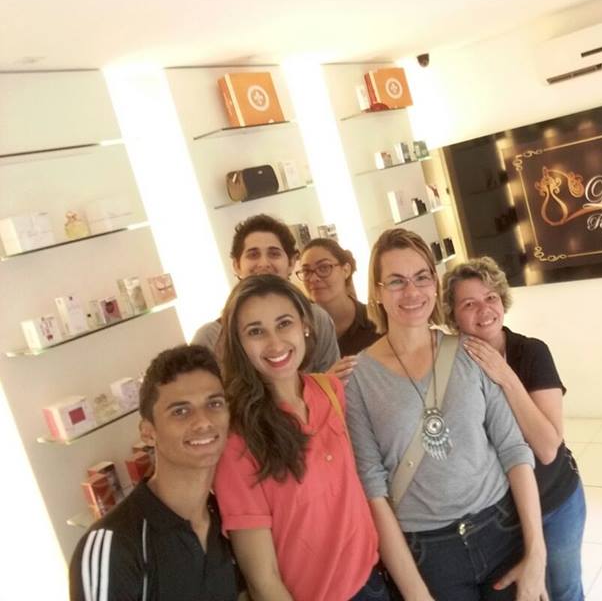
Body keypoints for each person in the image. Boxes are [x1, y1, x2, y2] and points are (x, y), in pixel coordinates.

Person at [345, 228, 548, 600]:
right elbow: (373, 490)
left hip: (501, 529)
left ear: (435, 284)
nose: (412, 292)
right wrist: (415, 593)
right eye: (396, 281)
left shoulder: (470, 351)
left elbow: (513, 450)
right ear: (376, 291)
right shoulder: (358, 379)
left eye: (422, 277)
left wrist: (537, 554)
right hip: (428, 553)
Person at [212, 274, 382, 601]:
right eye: (256, 331)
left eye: (284, 323)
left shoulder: (330, 390)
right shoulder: (237, 438)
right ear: (239, 343)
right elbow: (263, 579)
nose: (275, 343)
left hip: (372, 582)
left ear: (304, 325)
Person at [443, 257, 585, 601]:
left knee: (564, 591)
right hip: (498, 518)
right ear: (452, 315)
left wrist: (504, 375)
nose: (484, 310)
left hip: (554, 500)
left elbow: (547, 447)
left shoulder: (532, 352)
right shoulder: (448, 367)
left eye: (490, 297)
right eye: (469, 304)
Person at [69, 344, 240, 601]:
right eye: (180, 411)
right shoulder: (116, 544)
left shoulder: (225, 518)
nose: (204, 421)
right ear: (148, 433)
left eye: (214, 404)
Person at [191, 214, 340, 374]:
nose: (263, 263)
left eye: (274, 254)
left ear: (291, 262)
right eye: (253, 255)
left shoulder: (317, 320)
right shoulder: (210, 338)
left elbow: (332, 385)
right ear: (236, 265)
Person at [298, 237, 380, 359]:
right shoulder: (297, 328)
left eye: (324, 268)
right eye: (306, 271)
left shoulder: (377, 321)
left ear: (346, 270)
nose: (313, 278)